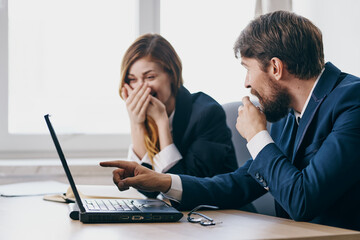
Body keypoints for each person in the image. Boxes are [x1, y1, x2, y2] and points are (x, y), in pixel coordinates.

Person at [101, 11, 360, 230]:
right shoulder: (286, 113)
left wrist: (258, 136)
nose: (246, 83)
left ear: (275, 68)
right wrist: (164, 182)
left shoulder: (352, 102)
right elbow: (241, 183)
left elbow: (303, 201)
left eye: (248, 69)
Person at [118, 33, 238, 191]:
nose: (141, 88)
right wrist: (136, 123)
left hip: (225, 211)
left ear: (172, 76)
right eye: (132, 79)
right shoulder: (147, 117)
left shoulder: (207, 114)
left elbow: (184, 190)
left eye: (150, 77)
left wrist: (162, 122)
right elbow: (148, 190)